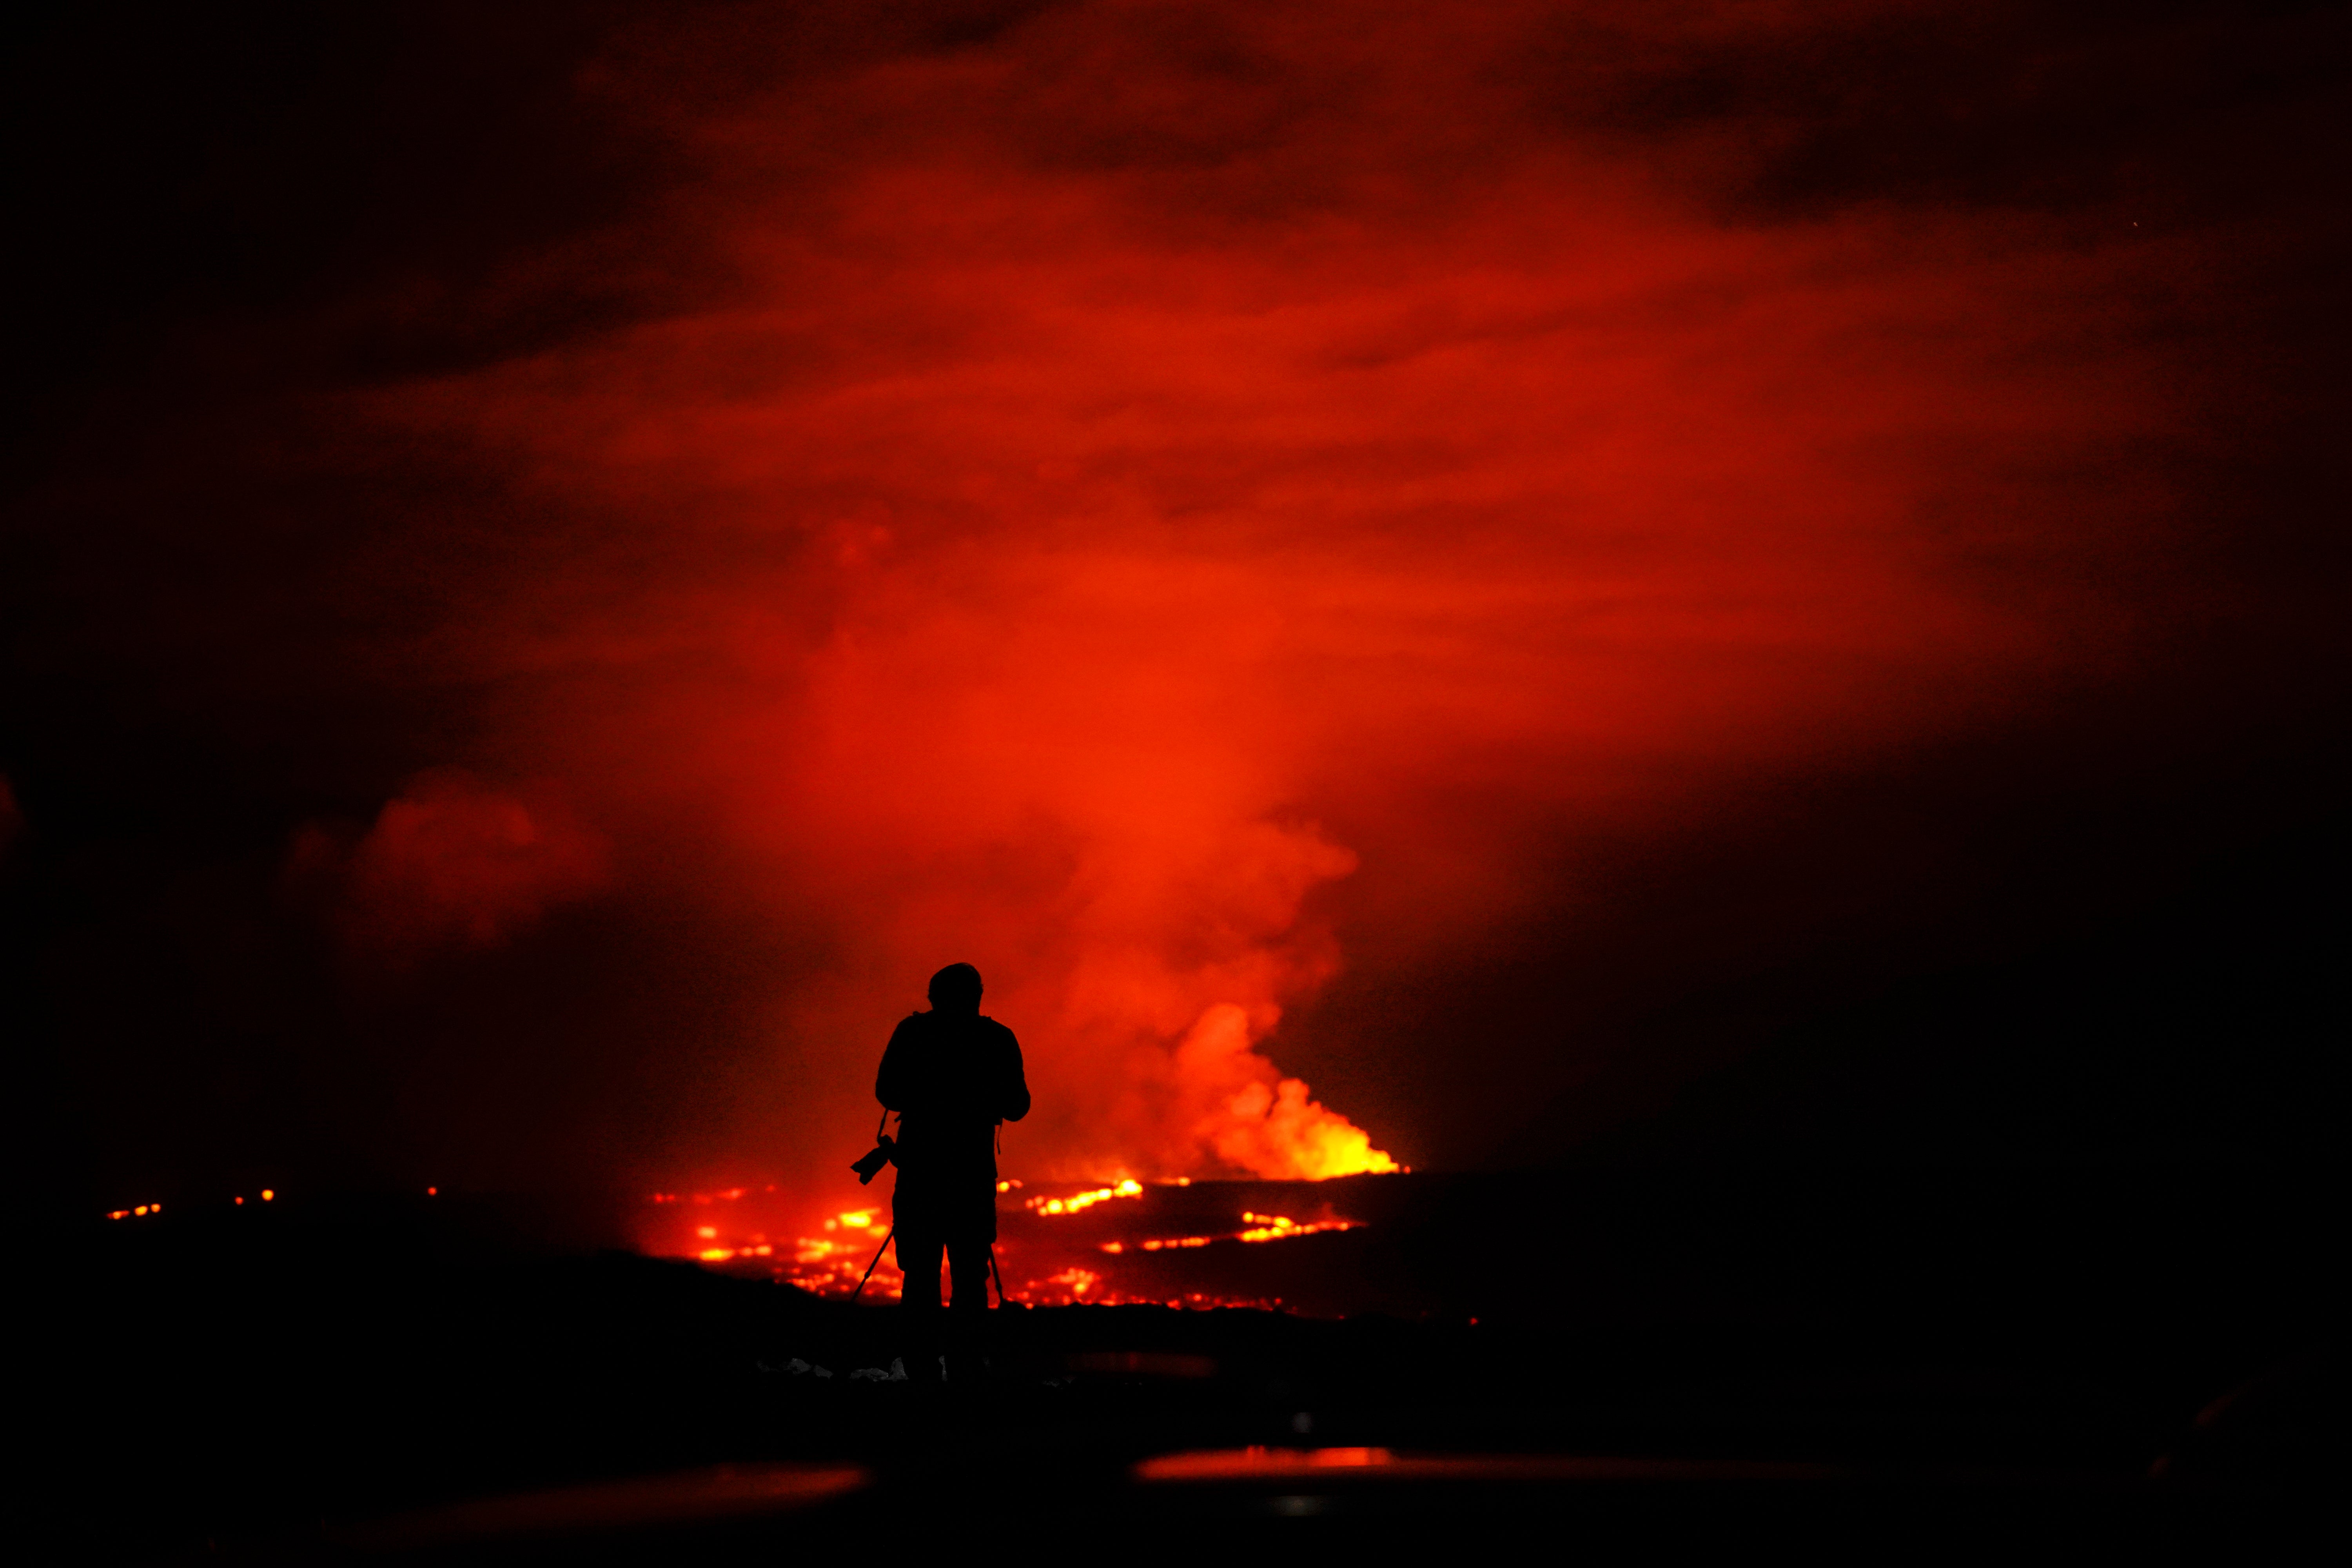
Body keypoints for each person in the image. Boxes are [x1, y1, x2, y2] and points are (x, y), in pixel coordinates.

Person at [876, 963, 1029, 1327]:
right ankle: (967, 1371)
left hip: (920, 1175)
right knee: (970, 1279)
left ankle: (921, 1372)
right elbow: (1018, 1107)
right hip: (971, 1179)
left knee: (919, 1276)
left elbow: (887, 1093)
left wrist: (928, 1095)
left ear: (934, 998)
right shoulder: (997, 1039)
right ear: (977, 996)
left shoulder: (912, 1033)